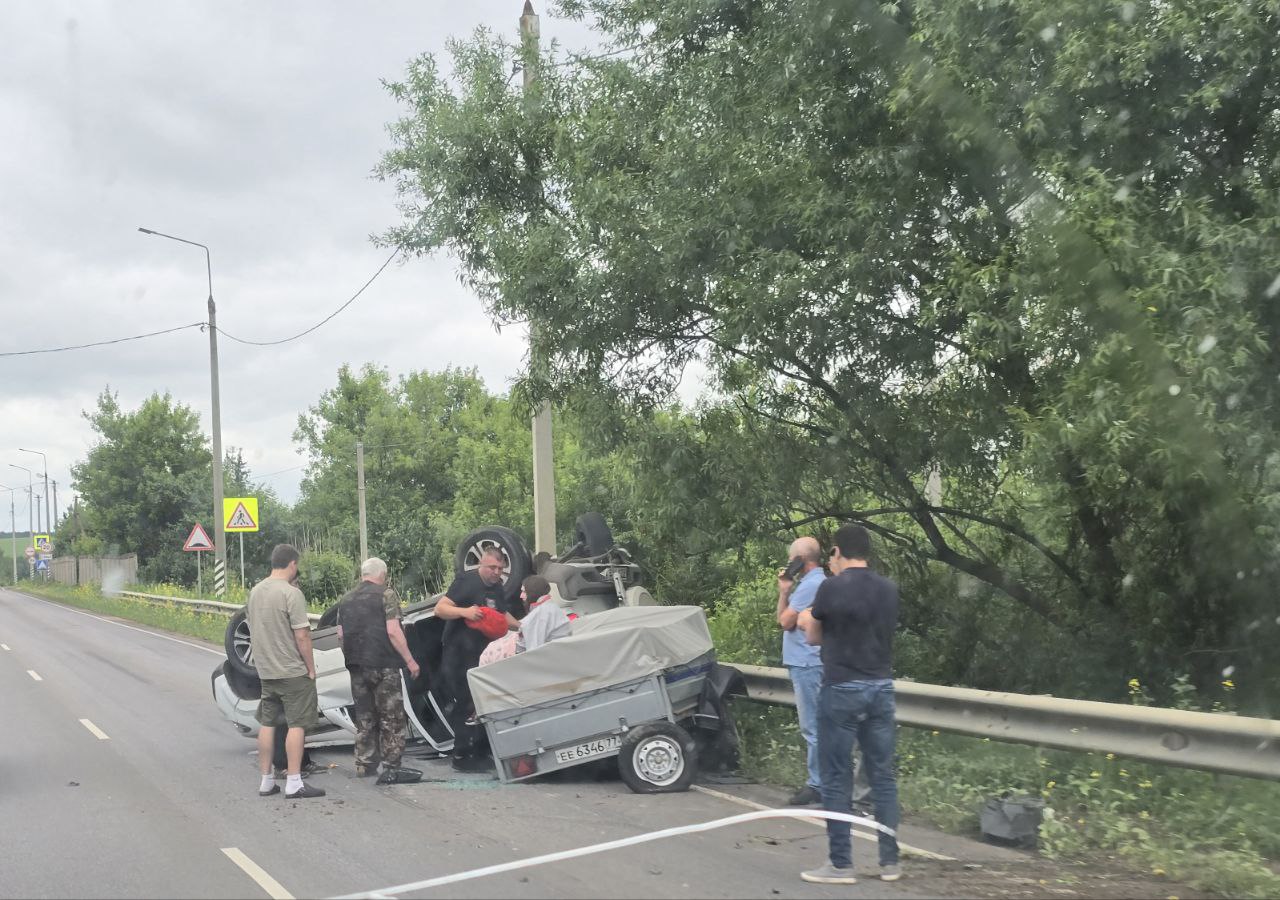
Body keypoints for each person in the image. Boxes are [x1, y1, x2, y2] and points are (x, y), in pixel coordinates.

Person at [797, 524, 901, 885]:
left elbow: (812, 634)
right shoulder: (889, 589)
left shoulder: (830, 587)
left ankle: (840, 864)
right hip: (881, 687)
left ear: (837, 552)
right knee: (882, 775)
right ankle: (890, 862)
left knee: (836, 776)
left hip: (841, 687)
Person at [247, 543, 325, 799]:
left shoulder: (255, 592)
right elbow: (302, 635)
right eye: (297, 565)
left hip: (267, 671)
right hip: (292, 671)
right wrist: (310, 668)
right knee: (297, 724)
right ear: (292, 564)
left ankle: (266, 780)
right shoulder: (291, 593)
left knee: (267, 723)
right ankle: (294, 780)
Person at [336, 557, 423, 785]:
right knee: (391, 718)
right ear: (382, 575)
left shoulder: (346, 600)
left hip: (356, 666)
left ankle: (365, 764)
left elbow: (341, 635)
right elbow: (393, 631)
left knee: (365, 717)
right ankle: (392, 767)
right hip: (383, 664)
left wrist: (352, 659)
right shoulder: (386, 594)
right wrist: (410, 661)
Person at [434, 547, 520, 771]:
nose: (496, 572)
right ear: (482, 564)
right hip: (458, 653)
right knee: (466, 703)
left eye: (500, 569)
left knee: (483, 702)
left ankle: (481, 752)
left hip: (481, 655)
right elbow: (440, 609)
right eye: (492, 567)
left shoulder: (497, 588)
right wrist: (465, 612)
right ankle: (461, 757)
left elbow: (502, 616)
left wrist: (523, 626)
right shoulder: (466, 581)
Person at [776, 536, 826, 806]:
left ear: (800, 561)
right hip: (807, 661)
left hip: (808, 662)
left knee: (812, 727)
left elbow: (784, 621)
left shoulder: (812, 585)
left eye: (791, 558)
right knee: (817, 725)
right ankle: (822, 782)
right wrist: (785, 590)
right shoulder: (814, 583)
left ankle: (817, 784)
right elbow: (782, 620)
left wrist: (784, 591)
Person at [515, 575, 571, 654]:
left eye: (524, 592)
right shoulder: (550, 606)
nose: (521, 596)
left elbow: (533, 652)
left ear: (533, 592)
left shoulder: (540, 615)